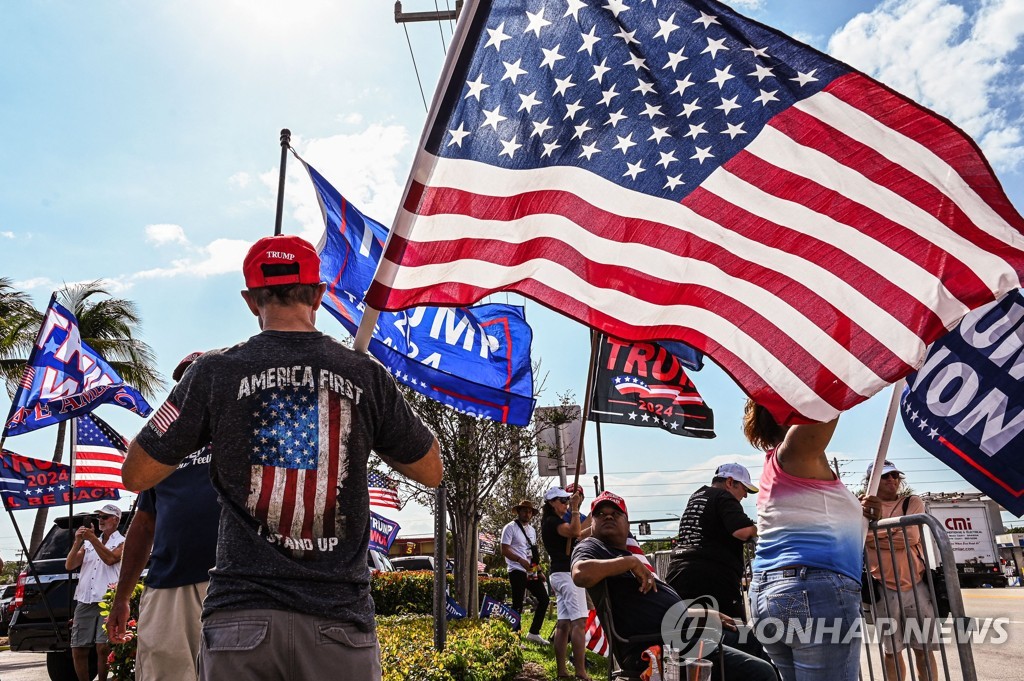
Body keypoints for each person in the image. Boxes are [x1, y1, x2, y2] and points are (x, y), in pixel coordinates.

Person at [121, 234, 442, 681]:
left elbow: (136, 473)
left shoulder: (213, 372)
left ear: (251, 300)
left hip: (241, 619)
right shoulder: (365, 374)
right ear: (318, 294)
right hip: (338, 622)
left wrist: (204, 417)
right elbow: (431, 469)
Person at [571, 491, 776, 681]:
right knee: (761, 672)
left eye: (616, 513)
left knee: (752, 639)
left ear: (627, 522)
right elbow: (580, 574)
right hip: (662, 645)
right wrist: (629, 562)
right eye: (600, 514)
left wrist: (704, 613)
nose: (608, 516)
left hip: (682, 632)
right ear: (593, 523)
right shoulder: (592, 547)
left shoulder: (627, 554)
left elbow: (663, 609)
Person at [743, 399, 879, 681]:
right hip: (812, 593)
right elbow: (831, 395)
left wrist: (859, 511)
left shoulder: (781, 468)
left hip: (773, 594)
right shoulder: (794, 453)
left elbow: (819, 517)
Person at [107, 352, 219, 681]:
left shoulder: (242, 432)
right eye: (184, 383)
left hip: (237, 582)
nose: (192, 389)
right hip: (168, 586)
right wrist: (123, 598)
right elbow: (143, 526)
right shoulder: (160, 452)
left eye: (199, 379)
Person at [863, 461, 938, 681]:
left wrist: (876, 533)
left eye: (895, 475)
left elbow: (911, 537)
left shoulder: (911, 502)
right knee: (892, 652)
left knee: (924, 650)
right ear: (872, 481)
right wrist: (895, 531)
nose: (892, 480)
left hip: (916, 584)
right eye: (886, 476)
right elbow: (861, 537)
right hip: (882, 586)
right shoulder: (863, 508)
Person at [666, 463, 758, 621]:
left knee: (689, 630)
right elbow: (742, 531)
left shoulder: (697, 495)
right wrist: (757, 530)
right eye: (744, 488)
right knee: (737, 633)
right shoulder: (724, 497)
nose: (745, 496)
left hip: (679, 573)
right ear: (730, 482)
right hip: (713, 576)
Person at [65, 503, 125, 681]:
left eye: (105, 517)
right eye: (99, 517)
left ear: (115, 519)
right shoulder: (90, 543)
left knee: (103, 648)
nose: (100, 520)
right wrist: (78, 541)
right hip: (85, 599)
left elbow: (110, 559)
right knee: (78, 647)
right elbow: (69, 565)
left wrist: (92, 539)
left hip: (106, 600)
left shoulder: (122, 541)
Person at [541, 486, 590, 680]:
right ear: (552, 503)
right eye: (562, 501)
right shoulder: (553, 521)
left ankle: (562, 671)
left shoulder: (551, 521)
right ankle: (580, 671)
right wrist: (576, 509)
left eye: (567, 500)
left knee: (563, 624)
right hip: (566, 575)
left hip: (559, 574)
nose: (566, 504)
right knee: (579, 622)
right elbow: (575, 530)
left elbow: (578, 534)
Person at [501, 498, 550, 645]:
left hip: (530, 571)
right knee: (517, 603)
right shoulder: (510, 528)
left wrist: (539, 571)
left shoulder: (532, 530)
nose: (527, 514)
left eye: (530, 512)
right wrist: (519, 560)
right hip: (516, 569)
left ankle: (534, 633)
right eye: (524, 511)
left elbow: (532, 553)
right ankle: (515, 637)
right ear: (519, 512)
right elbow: (504, 549)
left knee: (544, 599)